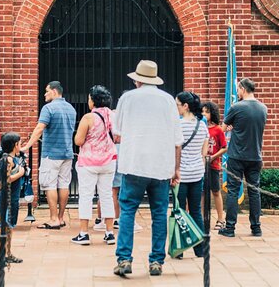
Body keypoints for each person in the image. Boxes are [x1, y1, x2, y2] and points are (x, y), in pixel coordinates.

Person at [112, 60, 183, 277]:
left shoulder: (127, 98)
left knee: (127, 212)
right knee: (159, 213)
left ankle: (124, 258)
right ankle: (156, 262)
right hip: (161, 166)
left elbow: (117, 132)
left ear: (137, 80)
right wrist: (176, 168)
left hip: (134, 164)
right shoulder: (168, 100)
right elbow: (177, 140)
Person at [22, 81, 76, 230]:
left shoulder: (48, 108)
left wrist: (27, 146)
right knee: (64, 184)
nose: (44, 94)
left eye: (46, 91)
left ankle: (53, 219)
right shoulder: (71, 109)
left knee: (49, 184)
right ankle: (61, 218)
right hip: (67, 153)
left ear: (54, 91)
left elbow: (39, 128)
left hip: (51, 154)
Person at [219, 77, 268, 238]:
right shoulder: (263, 108)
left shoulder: (237, 107)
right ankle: (256, 227)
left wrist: (231, 128)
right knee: (254, 191)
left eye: (238, 89)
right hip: (255, 155)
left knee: (232, 191)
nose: (237, 92)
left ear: (243, 89)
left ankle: (230, 228)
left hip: (237, 155)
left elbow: (222, 129)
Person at [72, 85, 118, 246]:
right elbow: (119, 138)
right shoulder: (113, 115)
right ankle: (110, 233)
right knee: (106, 195)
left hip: (89, 162)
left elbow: (78, 140)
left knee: (86, 195)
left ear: (93, 100)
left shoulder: (88, 118)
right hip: (109, 161)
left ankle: (84, 234)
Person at [174, 91, 209, 259]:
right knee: (196, 210)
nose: (176, 108)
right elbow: (204, 152)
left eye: (178, 105)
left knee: (179, 211)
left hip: (181, 175)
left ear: (185, 106)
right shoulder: (202, 125)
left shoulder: (178, 126)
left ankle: (180, 248)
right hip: (197, 173)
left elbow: (175, 150)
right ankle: (200, 249)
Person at [0, 132, 26, 265]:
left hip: (14, 197)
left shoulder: (14, 158)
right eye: (20, 143)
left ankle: (8, 253)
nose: (21, 146)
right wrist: (21, 173)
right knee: (3, 225)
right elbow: (6, 180)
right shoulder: (8, 160)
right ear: (15, 145)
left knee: (10, 225)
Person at [202, 101, 228, 230]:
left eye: (207, 112)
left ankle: (220, 219)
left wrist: (213, 157)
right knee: (201, 192)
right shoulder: (201, 127)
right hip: (201, 165)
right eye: (202, 111)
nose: (204, 114)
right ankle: (201, 218)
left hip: (213, 165)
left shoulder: (217, 130)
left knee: (216, 191)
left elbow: (224, 147)